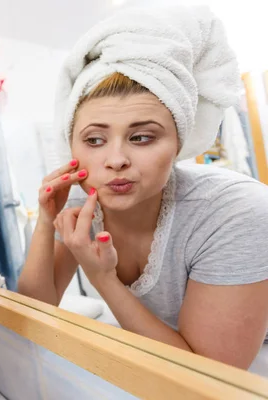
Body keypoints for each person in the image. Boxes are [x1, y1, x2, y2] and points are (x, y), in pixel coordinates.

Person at [18, 6, 268, 374]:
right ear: (71, 146)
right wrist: (45, 221)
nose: (115, 159)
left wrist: (102, 278)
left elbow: (209, 382)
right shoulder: (83, 200)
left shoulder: (234, 212)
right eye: (95, 139)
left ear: (178, 143)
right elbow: (34, 313)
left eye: (141, 137)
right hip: (162, 363)